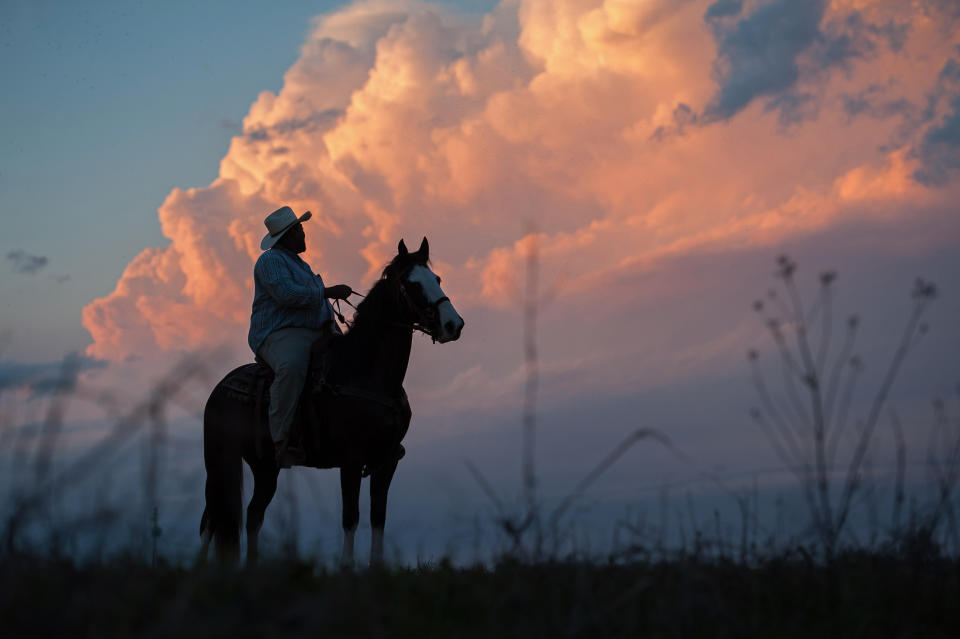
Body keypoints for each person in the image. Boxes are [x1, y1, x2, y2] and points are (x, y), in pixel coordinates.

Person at [248, 206, 352, 468]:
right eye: (300, 230)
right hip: (278, 333)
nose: (304, 234)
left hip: (314, 333)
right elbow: (287, 295)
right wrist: (327, 292)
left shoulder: (300, 265)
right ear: (287, 236)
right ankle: (280, 441)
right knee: (292, 367)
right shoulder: (270, 261)